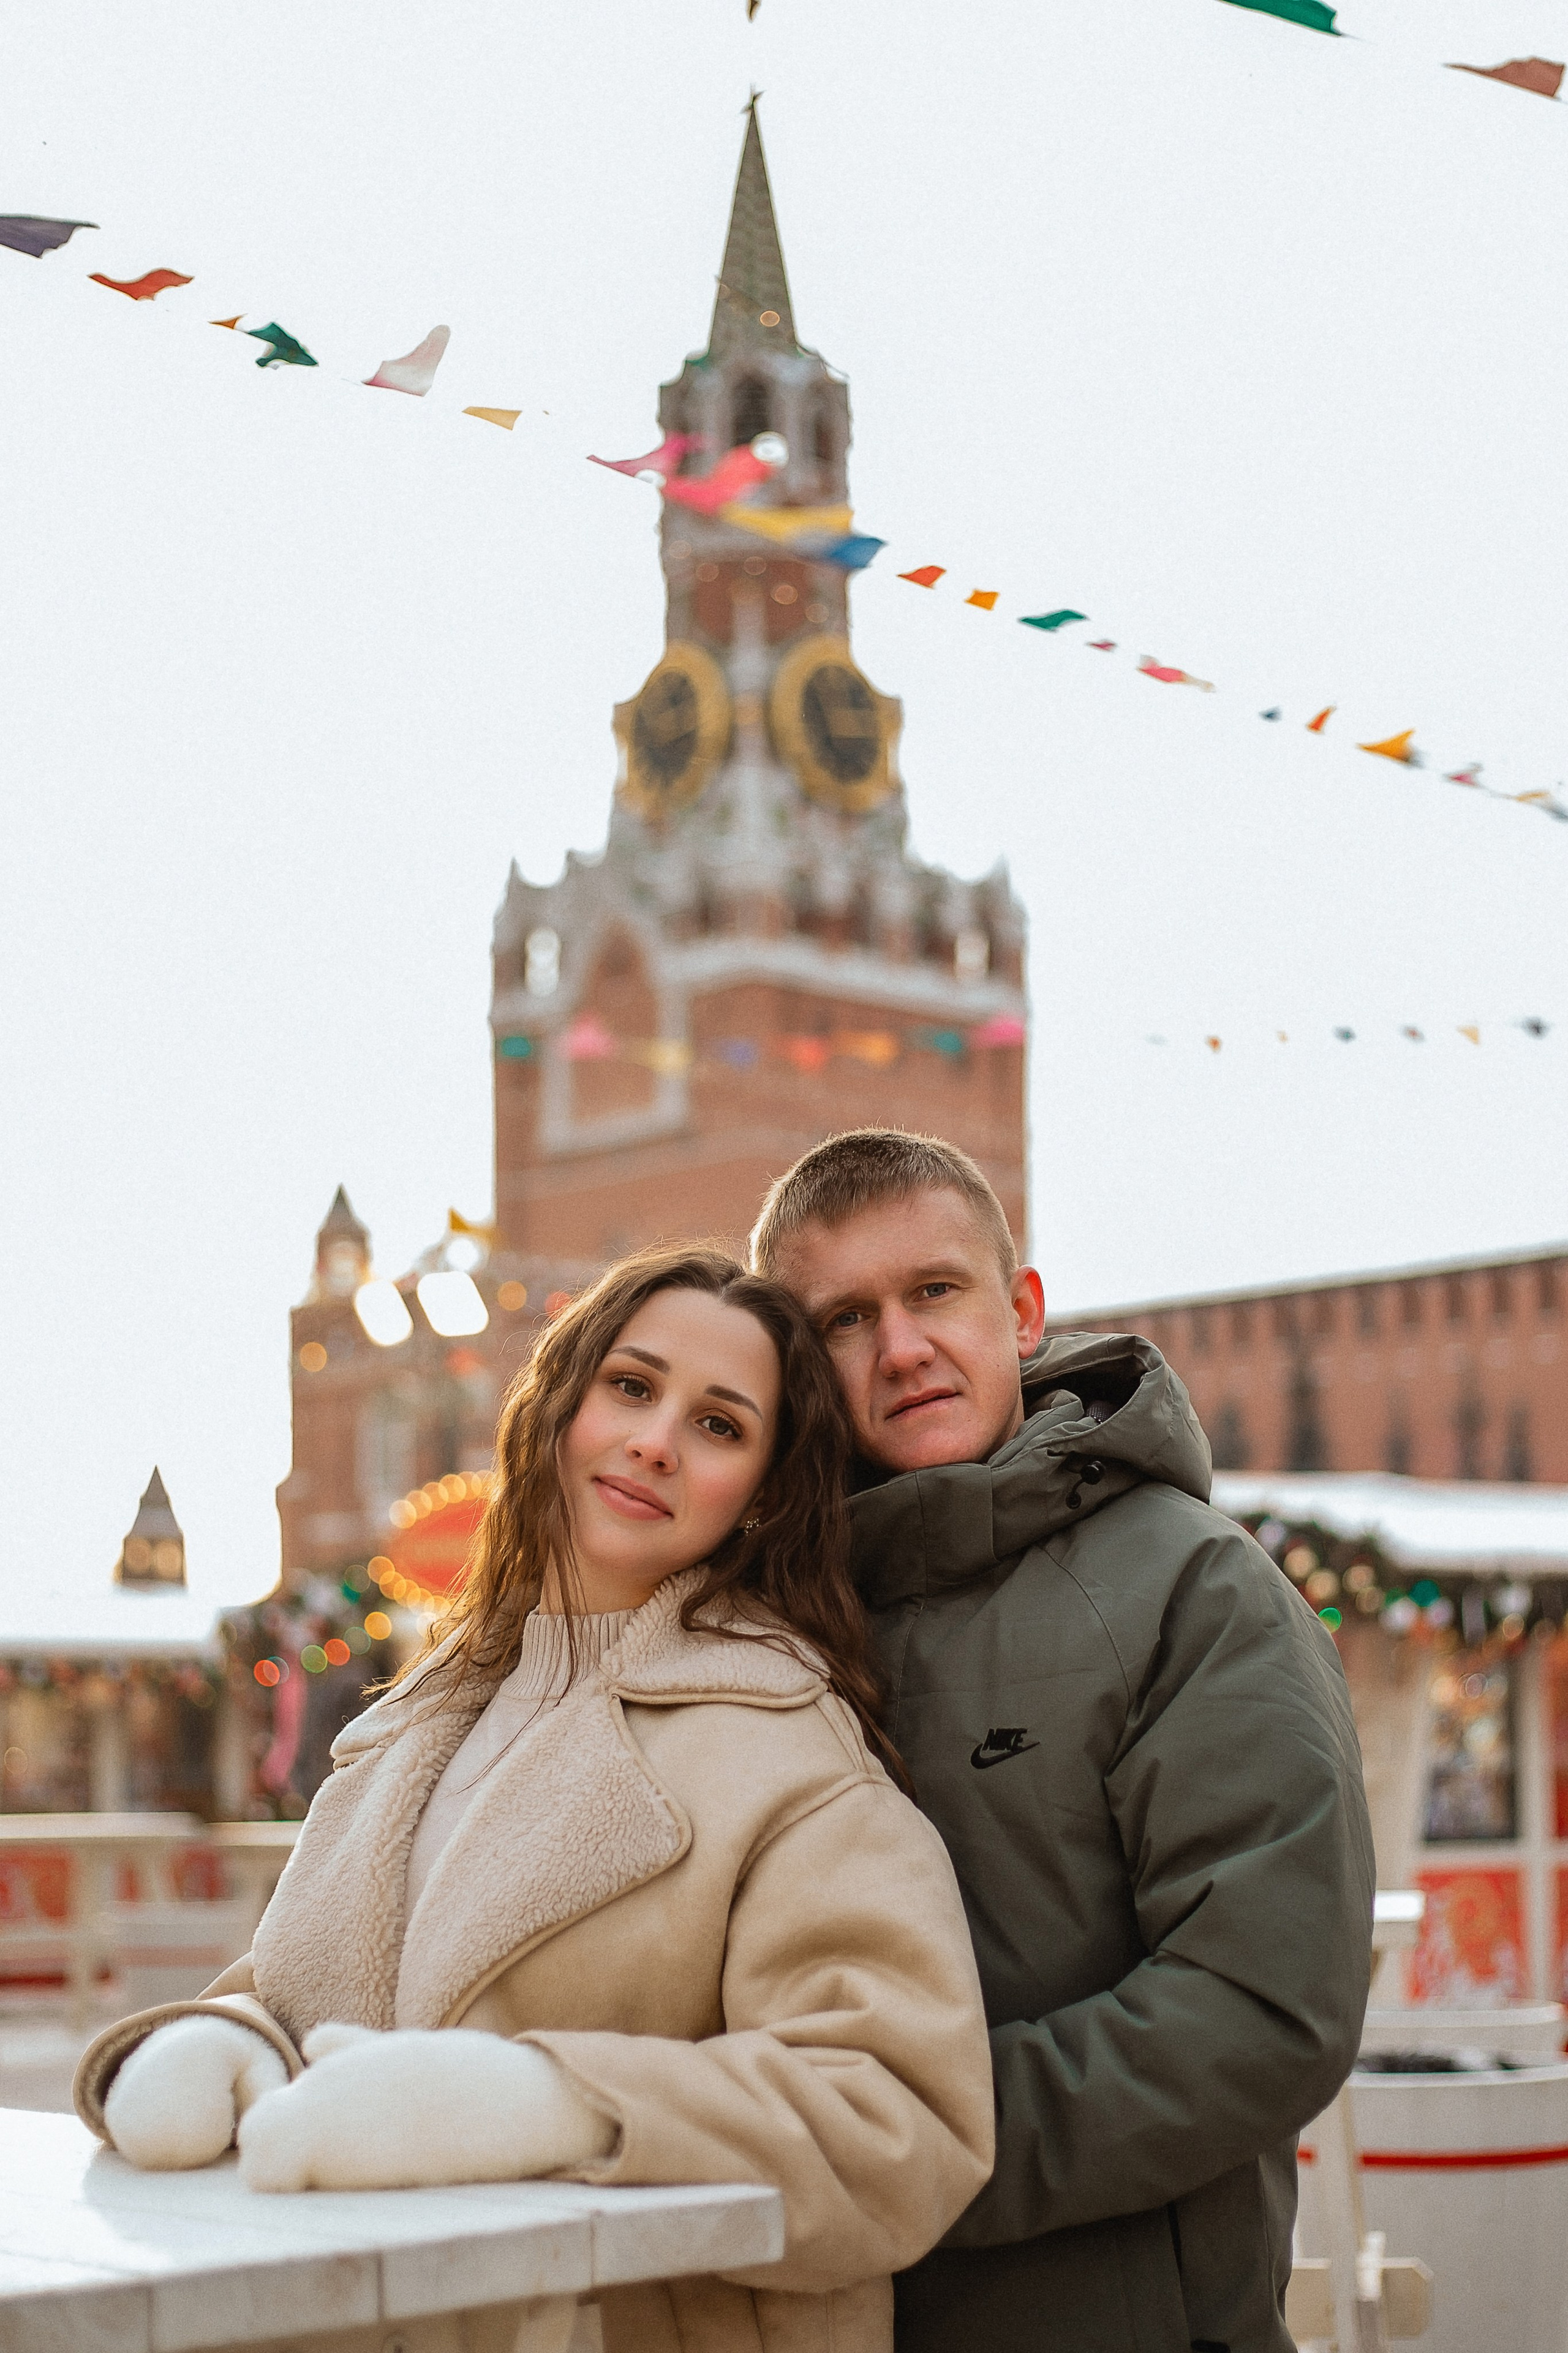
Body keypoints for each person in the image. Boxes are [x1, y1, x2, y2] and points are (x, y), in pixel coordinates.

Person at [75, 1245, 994, 2353]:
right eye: (633, 1385)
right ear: (562, 1406)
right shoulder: (411, 1724)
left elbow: (900, 2123)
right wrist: (221, 2041)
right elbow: (306, 1992)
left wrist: (549, 2105)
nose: (656, 1438)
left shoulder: (789, 1749)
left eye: (719, 1425)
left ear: (760, 1497)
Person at [752, 1130, 1376, 2353]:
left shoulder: (1191, 1588)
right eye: (842, 1318)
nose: (901, 1346)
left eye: (934, 1290)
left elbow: (1260, 2006)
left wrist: (897, 2153)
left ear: (1020, 1310)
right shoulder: (764, 1621)